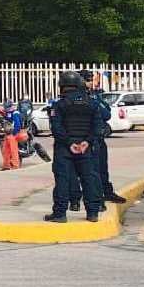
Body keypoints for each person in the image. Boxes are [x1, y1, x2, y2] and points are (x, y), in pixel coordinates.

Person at [45, 71, 102, 223]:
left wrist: (70, 143)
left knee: (62, 179)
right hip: (85, 148)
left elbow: (56, 128)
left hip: (65, 148)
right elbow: (98, 127)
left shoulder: (60, 105)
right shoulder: (92, 103)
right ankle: (92, 213)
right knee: (88, 179)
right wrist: (87, 142)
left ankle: (60, 214)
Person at [81, 70, 126, 204]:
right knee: (91, 170)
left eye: (90, 79)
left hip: (99, 137)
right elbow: (104, 113)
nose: (90, 83)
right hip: (88, 138)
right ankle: (95, 196)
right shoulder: (82, 97)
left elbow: (107, 112)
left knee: (102, 168)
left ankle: (106, 192)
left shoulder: (94, 96)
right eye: (87, 80)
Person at [1, 100, 22, 170]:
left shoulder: (15, 113)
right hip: (9, 134)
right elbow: (8, 119)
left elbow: (18, 125)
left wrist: (13, 134)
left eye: (6, 108)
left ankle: (15, 165)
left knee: (13, 151)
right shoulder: (9, 113)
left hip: (13, 134)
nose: (6, 109)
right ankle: (6, 165)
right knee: (5, 150)